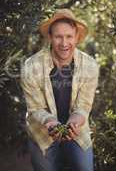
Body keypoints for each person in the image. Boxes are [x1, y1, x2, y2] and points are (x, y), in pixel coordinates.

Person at [21, 9, 99, 171]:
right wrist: (51, 123)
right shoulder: (31, 66)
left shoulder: (90, 65)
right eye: (58, 36)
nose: (64, 43)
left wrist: (75, 121)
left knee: (85, 168)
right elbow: (35, 108)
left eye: (69, 36)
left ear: (77, 37)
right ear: (50, 37)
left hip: (76, 130)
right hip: (42, 131)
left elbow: (84, 106)